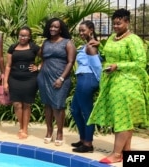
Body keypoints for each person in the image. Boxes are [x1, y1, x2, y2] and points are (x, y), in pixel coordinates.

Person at [87, 8, 149, 164]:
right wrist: (99, 46)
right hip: (112, 82)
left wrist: (118, 66)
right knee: (123, 118)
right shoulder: (112, 38)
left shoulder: (133, 39)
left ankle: (116, 154)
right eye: (114, 23)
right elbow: (110, 55)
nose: (115, 26)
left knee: (122, 117)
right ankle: (126, 152)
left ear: (127, 22)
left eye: (119, 23)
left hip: (128, 83)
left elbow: (140, 62)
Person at [37, 18, 76, 146]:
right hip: (44, 77)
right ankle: (49, 131)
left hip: (60, 78)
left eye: (56, 27)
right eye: (51, 26)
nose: (52, 29)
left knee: (58, 106)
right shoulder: (46, 43)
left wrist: (61, 78)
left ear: (61, 29)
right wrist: (39, 67)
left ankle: (59, 133)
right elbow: (42, 57)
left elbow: (70, 62)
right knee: (47, 105)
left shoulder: (67, 43)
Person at [70, 20, 102, 153]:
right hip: (83, 79)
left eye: (83, 30)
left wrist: (100, 83)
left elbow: (97, 67)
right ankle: (83, 139)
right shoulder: (87, 45)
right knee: (74, 109)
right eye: (80, 31)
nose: (81, 33)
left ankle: (88, 144)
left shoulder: (90, 47)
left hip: (87, 79)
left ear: (91, 30)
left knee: (87, 112)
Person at [4, 26, 40, 139]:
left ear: (29, 37)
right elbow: (8, 65)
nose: (22, 37)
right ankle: (21, 127)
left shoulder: (34, 47)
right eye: (20, 35)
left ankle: (25, 129)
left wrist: (38, 67)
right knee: (17, 104)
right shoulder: (13, 47)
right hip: (14, 79)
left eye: (25, 35)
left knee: (26, 104)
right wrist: (5, 82)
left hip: (30, 79)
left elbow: (47, 57)